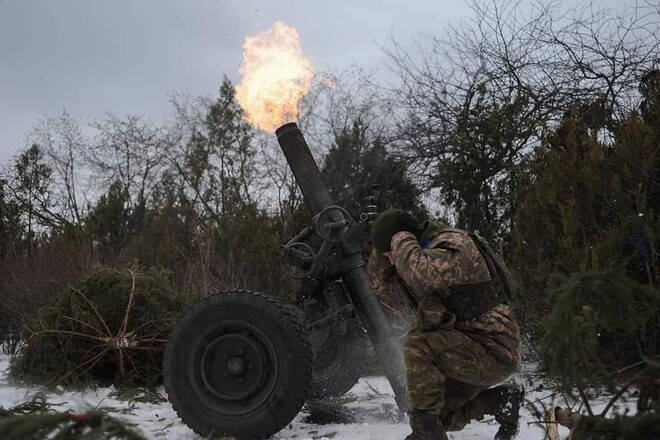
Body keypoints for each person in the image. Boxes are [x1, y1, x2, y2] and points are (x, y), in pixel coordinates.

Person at [368, 208, 523, 440]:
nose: (392, 260)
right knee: (433, 416)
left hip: (494, 350)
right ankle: (500, 402)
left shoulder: (454, 244)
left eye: (391, 254)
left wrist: (398, 238)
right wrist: (383, 251)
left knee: (419, 344)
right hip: (468, 349)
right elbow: (379, 286)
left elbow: (422, 275)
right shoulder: (423, 253)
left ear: (406, 240)